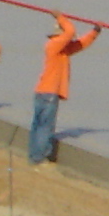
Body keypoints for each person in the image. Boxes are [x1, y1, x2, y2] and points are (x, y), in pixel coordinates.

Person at [30, 14, 101, 164]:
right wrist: (60, 17)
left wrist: (94, 32)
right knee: (44, 126)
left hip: (44, 91)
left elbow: (80, 44)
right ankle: (39, 157)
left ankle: (36, 155)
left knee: (39, 125)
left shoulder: (62, 50)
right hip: (48, 92)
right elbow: (70, 31)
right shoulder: (54, 44)